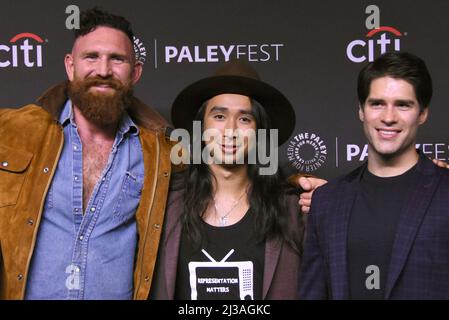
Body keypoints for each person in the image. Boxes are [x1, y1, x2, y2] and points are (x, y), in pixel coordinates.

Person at [0, 8, 172, 299]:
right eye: (91, 57)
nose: (103, 70)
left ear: (136, 72)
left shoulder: (160, 153)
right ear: (70, 66)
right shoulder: (12, 131)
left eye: (117, 59)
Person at [299, 52, 449, 299]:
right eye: (377, 103)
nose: (388, 117)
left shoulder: (444, 192)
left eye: (403, 104)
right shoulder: (326, 201)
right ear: (361, 110)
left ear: (422, 113)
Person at [151, 60, 305, 300]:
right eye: (220, 116)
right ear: (201, 127)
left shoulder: (293, 209)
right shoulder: (164, 206)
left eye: (245, 119)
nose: (230, 130)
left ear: (259, 132)